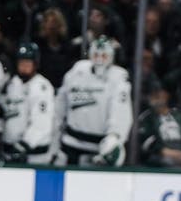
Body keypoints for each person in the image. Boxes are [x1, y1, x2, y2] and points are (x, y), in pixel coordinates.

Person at [55, 36, 132, 167]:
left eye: (104, 55)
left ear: (111, 57)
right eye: (96, 54)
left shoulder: (119, 78)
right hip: (70, 144)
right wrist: (55, 132)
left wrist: (114, 136)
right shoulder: (77, 71)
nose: (100, 59)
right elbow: (61, 103)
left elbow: (121, 111)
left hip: (98, 148)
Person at [0, 42, 55, 164]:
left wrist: (24, 145)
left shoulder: (42, 87)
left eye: (27, 63)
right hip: (10, 151)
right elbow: (4, 110)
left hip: (34, 155)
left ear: (35, 64)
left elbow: (42, 124)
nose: (23, 66)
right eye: (21, 62)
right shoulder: (11, 83)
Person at [136, 85, 181, 168]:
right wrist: (164, 151)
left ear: (166, 96)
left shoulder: (179, 116)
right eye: (154, 95)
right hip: (160, 156)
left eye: (159, 94)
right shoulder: (146, 118)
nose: (157, 98)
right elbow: (146, 141)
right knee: (166, 162)